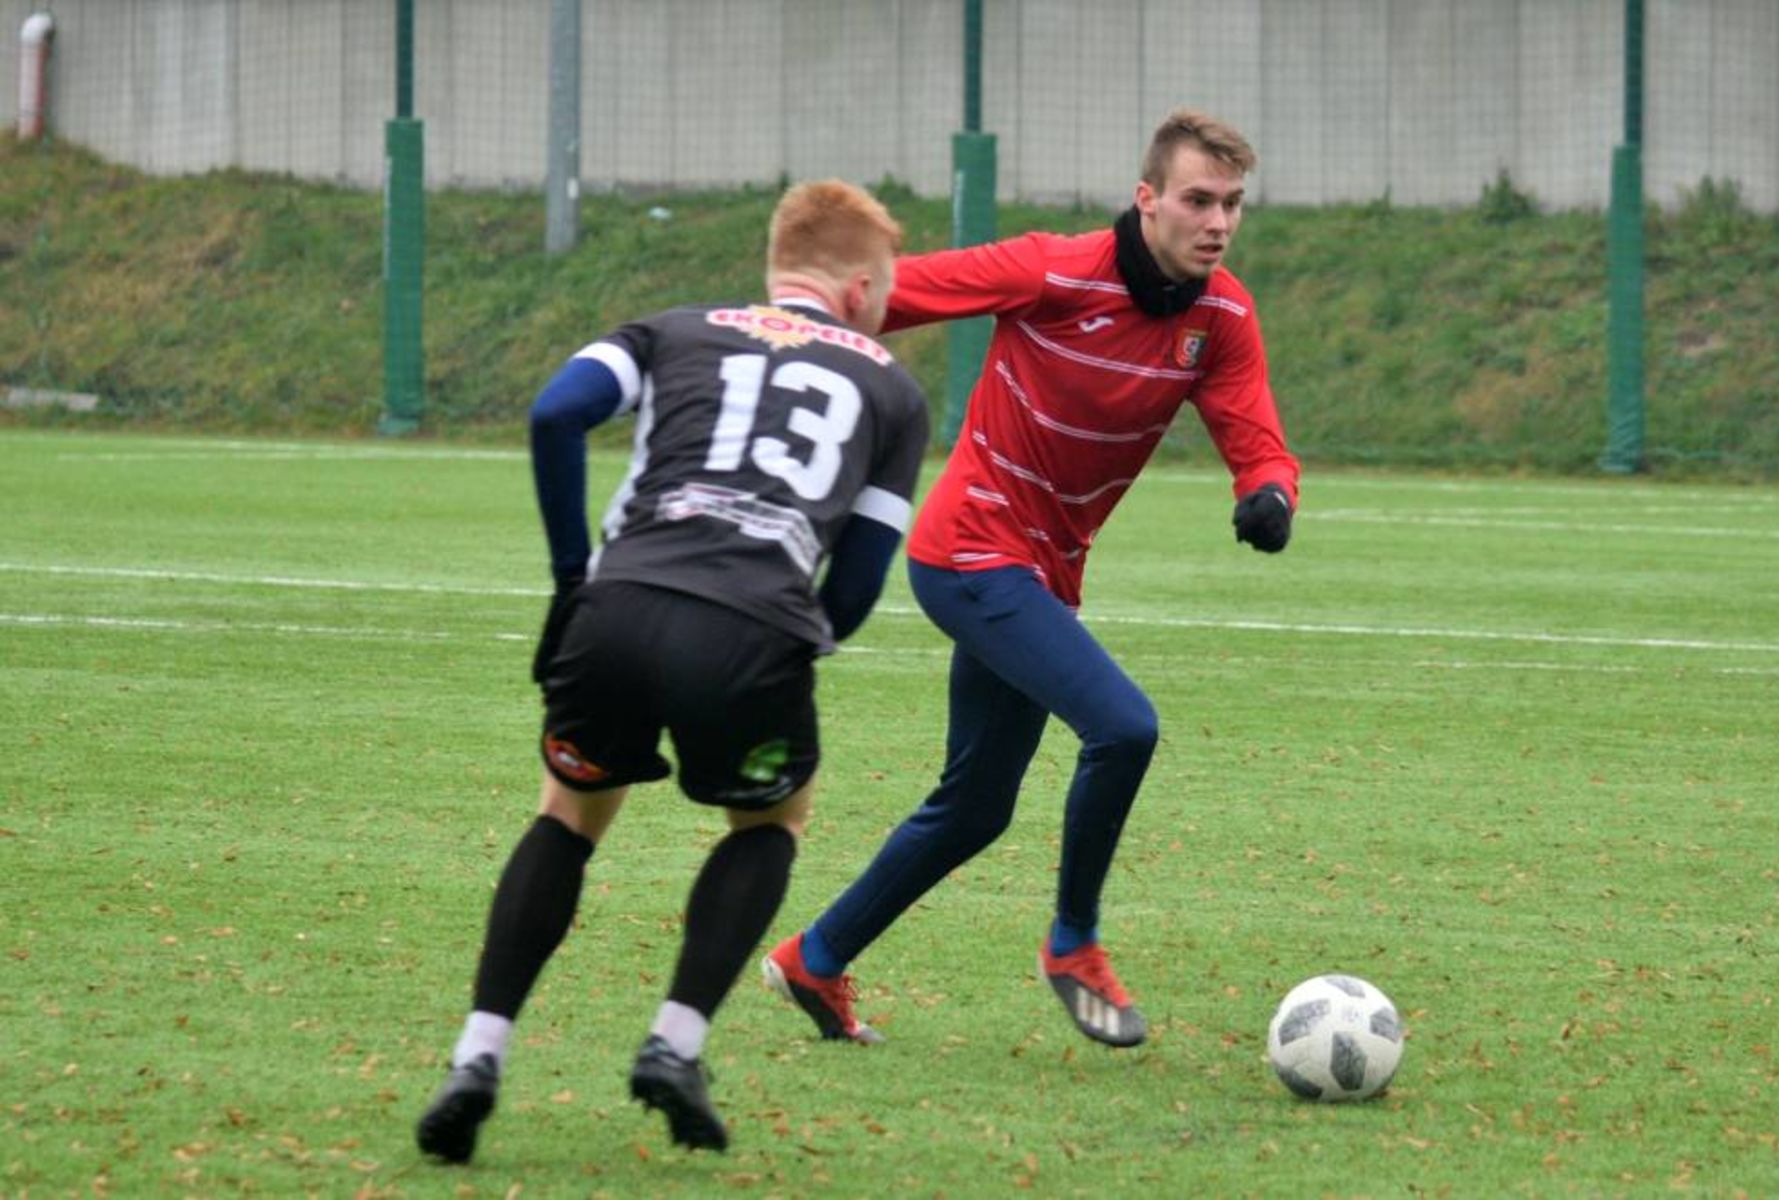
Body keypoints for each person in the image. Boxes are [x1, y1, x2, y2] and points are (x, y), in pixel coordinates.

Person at [762, 109, 1299, 1050]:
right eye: (1197, 200)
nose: (1217, 221)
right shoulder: (1052, 269)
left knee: (975, 806)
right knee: (1125, 727)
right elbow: (896, 291)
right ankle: (1073, 945)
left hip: (1041, 575)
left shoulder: (1220, 316)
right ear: (1147, 201)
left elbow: (1253, 433)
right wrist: (795, 324)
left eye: (1232, 204)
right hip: (969, 551)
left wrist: (1267, 493)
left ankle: (817, 955)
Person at [415, 180, 929, 1161]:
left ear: (776, 266)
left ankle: (476, 1056)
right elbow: (859, 579)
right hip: (754, 629)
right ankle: (674, 1043)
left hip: (617, 609)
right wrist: (798, 641)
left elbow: (555, 413)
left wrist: (575, 579)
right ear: (859, 286)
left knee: (567, 813)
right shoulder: (892, 390)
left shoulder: (667, 329)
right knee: (772, 819)